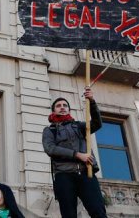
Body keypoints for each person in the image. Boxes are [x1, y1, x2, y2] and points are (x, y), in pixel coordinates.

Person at [42, 88, 106, 218]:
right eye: (58, 106)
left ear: (69, 110)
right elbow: (50, 149)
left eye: (65, 105)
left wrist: (92, 101)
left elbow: (97, 123)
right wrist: (77, 154)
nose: (62, 107)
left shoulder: (79, 126)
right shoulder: (49, 130)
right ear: (54, 110)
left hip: (85, 173)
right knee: (68, 215)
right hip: (63, 175)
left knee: (98, 211)